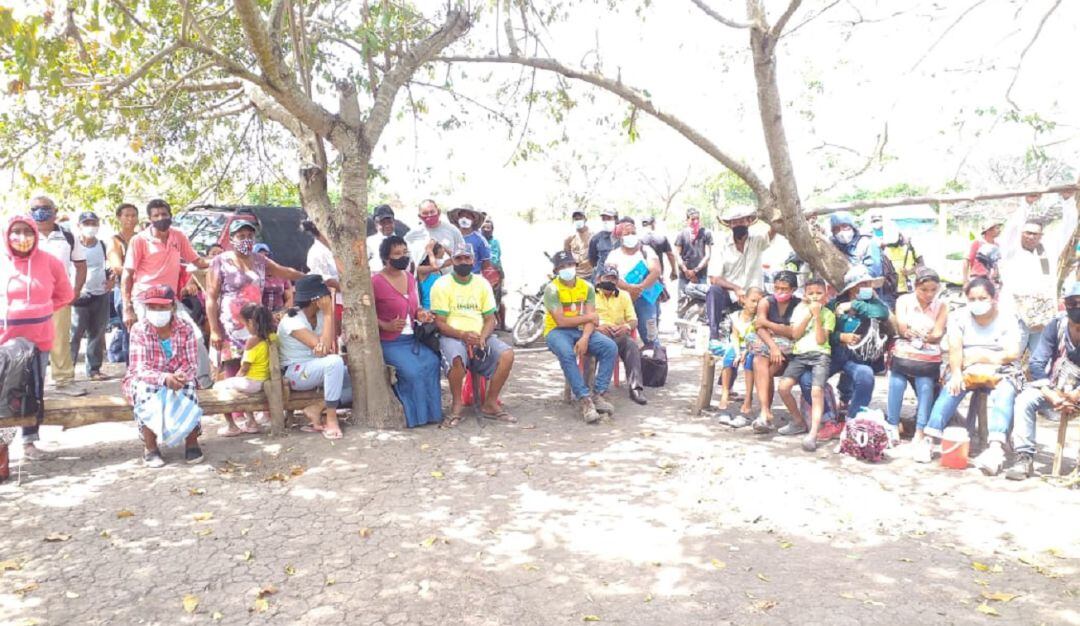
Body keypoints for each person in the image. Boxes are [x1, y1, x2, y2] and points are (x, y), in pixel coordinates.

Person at [206, 219, 303, 436]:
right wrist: (214, 328)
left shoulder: (260, 260)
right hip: (229, 325)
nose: (246, 240)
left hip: (254, 325)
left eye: (250, 236)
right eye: (241, 236)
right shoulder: (220, 261)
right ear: (231, 239)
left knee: (254, 369)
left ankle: (253, 417)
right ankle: (234, 419)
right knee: (231, 370)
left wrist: (309, 277)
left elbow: (283, 272)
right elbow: (211, 297)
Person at [919, 278, 1022, 472]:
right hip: (965, 366)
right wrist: (957, 372)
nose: (977, 303)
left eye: (982, 298)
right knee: (952, 387)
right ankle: (930, 438)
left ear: (993, 298)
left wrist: (981, 357)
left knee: (1005, 392)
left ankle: (995, 448)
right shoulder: (959, 317)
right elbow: (955, 348)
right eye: (972, 299)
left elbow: (1011, 353)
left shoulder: (1007, 318)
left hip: (1000, 367)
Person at [0, 216, 73, 467]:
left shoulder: (50, 261)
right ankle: (2, 445)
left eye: (26, 231)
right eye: (16, 232)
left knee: (32, 390)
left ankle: (29, 440)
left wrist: (41, 310)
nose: (21, 237)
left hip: (39, 339)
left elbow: (65, 294)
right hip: (4, 340)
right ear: (7, 235)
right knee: (4, 392)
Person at [797, 266, 889, 443]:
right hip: (833, 355)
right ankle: (828, 418)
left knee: (866, 376)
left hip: (858, 358)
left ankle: (852, 420)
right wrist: (841, 336)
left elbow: (882, 313)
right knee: (807, 379)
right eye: (863, 284)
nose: (867, 286)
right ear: (853, 287)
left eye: (869, 283)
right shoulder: (834, 305)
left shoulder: (873, 303)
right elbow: (824, 331)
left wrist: (854, 305)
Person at [431, 243, 516, 427]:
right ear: (452, 260)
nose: (463, 261)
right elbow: (440, 322)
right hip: (453, 335)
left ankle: (491, 403)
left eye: (467, 258)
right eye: (459, 258)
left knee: (507, 354)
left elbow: (490, 318)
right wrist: (462, 335)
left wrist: (483, 337)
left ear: (473, 260)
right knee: (456, 358)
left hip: (480, 335)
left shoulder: (482, 283)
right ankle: (457, 405)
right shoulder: (442, 284)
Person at [122, 285, 204, 467]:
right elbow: (140, 367)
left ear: (172, 307)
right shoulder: (139, 329)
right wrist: (163, 378)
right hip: (147, 378)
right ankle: (150, 448)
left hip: (178, 376)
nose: (157, 311)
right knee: (145, 391)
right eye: (152, 307)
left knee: (189, 389)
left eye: (162, 307)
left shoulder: (186, 328)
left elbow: (191, 363)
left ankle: (192, 443)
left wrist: (181, 376)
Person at [1009, 283, 1080, 480]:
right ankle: (1024, 457)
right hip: (1055, 388)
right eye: (1072, 303)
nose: (1077, 307)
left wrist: (1076, 394)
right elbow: (1037, 363)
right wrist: (1051, 393)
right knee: (1024, 400)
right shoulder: (1056, 326)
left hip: (1077, 392)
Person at [372, 235, 442, 428]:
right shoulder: (376, 282)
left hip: (412, 340)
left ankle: (432, 414)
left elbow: (415, 308)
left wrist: (422, 314)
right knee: (413, 371)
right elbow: (365, 316)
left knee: (432, 362)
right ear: (386, 258)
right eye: (397, 254)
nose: (403, 256)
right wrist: (385, 325)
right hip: (390, 342)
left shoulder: (410, 278)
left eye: (405, 253)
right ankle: (414, 416)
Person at [543, 253, 618, 422]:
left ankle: (598, 394)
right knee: (567, 353)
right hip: (556, 331)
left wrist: (584, 337)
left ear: (575, 266)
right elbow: (561, 321)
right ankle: (585, 399)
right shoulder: (552, 289)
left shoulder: (587, 287)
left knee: (609, 347)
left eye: (569, 264)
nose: (566, 269)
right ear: (556, 270)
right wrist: (588, 318)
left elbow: (593, 319)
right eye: (562, 267)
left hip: (579, 331)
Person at [278, 275, 349, 439]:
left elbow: (326, 346)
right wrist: (328, 314)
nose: (327, 299)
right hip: (296, 373)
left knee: (356, 375)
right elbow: (323, 350)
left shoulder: (319, 316)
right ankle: (331, 419)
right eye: (325, 296)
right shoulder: (292, 320)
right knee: (334, 362)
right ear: (315, 299)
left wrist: (327, 316)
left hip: (316, 367)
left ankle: (317, 408)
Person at [999, 210, 1077, 360]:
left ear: (1041, 236)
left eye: (1036, 234)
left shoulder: (1048, 251)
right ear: (1021, 233)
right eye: (1028, 233)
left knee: (1040, 359)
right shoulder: (1011, 250)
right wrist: (1025, 204)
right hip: (1016, 316)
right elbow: (1010, 231)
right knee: (1011, 357)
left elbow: (1067, 228)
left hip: (1042, 317)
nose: (1031, 237)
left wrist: (1067, 203)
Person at [30, 196, 87, 396]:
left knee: (60, 339)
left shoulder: (68, 236)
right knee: (29, 341)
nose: (40, 212)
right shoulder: (24, 234)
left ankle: (64, 381)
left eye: (45, 208)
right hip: (29, 298)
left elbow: (80, 265)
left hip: (58, 297)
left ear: (55, 211)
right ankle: (30, 386)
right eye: (35, 208)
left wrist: (76, 290)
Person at [886, 268, 948, 438]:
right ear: (915, 286)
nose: (929, 294)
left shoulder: (941, 306)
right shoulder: (904, 301)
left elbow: (938, 332)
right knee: (896, 384)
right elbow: (903, 327)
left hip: (927, 358)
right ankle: (892, 424)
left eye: (933, 290)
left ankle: (921, 429)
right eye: (924, 290)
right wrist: (922, 335)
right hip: (906, 352)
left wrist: (922, 335)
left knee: (926, 386)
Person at [776, 278, 837, 451]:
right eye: (811, 293)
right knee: (783, 387)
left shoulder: (829, 315)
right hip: (800, 355)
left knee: (817, 390)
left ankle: (814, 432)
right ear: (805, 295)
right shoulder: (799, 310)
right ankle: (798, 421)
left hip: (820, 356)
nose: (815, 297)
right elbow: (795, 334)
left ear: (825, 295)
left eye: (819, 293)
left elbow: (820, 339)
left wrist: (817, 317)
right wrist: (809, 314)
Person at [706, 206, 775, 342]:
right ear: (730, 225)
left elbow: (773, 232)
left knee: (772, 302)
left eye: (741, 221)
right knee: (713, 291)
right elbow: (714, 278)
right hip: (730, 293)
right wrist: (736, 288)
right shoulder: (721, 245)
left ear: (748, 221)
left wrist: (774, 215)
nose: (738, 224)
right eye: (734, 222)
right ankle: (713, 336)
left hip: (754, 294)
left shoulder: (757, 241)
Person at [749, 271, 800, 432]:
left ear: (793, 289)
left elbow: (793, 332)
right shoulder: (766, 302)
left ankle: (765, 414)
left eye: (784, 289)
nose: (780, 292)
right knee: (759, 361)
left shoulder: (798, 305)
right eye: (777, 288)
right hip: (770, 350)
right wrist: (773, 346)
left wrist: (768, 324)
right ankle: (765, 411)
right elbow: (758, 327)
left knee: (766, 369)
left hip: (790, 354)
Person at [212, 303, 275, 430]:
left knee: (218, 386)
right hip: (264, 379)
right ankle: (251, 422)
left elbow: (245, 368)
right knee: (238, 387)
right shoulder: (272, 336)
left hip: (252, 382)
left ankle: (231, 426)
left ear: (251, 323)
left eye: (245, 325)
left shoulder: (252, 341)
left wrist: (236, 378)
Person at [603, 218, 661, 348]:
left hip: (645, 299)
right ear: (620, 237)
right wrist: (629, 288)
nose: (631, 236)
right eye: (626, 233)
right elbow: (611, 277)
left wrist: (640, 287)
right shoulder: (614, 255)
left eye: (633, 233)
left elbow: (656, 271)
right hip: (621, 300)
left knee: (651, 337)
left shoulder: (646, 250)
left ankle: (656, 363)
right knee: (617, 335)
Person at [594, 263, 647, 405]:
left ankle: (636, 388)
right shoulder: (590, 295)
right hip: (597, 333)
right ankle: (594, 390)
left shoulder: (624, 296)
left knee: (631, 344)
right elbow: (583, 319)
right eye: (607, 278)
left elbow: (633, 320)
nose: (610, 282)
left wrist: (626, 327)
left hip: (618, 334)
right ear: (599, 279)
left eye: (613, 279)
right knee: (595, 344)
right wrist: (598, 327)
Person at [70, 211, 113, 381]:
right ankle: (68, 371)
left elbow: (111, 266)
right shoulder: (73, 245)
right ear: (79, 226)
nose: (90, 227)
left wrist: (111, 280)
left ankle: (94, 369)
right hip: (78, 296)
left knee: (97, 333)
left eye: (93, 223)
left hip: (100, 294)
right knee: (74, 335)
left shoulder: (102, 245)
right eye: (86, 223)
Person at [717, 287, 763, 416]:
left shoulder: (759, 318)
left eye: (759, 302)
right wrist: (737, 352)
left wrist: (746, 352)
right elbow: (735, 336)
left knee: (749, 362)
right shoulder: (736, 316)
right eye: (753, 301)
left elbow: (757, 338)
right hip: (738, 345)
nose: (755, 305)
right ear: (744, 299)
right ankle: (725, 392)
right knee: (729, 359)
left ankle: (748, 397)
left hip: (753, 346)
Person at [107, 202, 139, 364]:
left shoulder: (141, 238)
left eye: (133, 215)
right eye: (126, 215)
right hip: (124, 289)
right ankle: (131, 367)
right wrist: (138, 272)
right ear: (119, 218)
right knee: (129, 330)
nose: (130, 219)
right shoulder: (115, 241)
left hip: (142, 289)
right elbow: (117, 266)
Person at [870, 211, 921, 309]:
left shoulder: (911, 246)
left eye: (893, 243)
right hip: (890, 290)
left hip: (908, 289)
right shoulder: (883, 247)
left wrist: (910, 271)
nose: (890, 245)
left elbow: (922, 264)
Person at [406, 199, 466, 283]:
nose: (429, 215)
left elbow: (462, 254)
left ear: (439, 212)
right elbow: (408, 262)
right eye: (425, 213)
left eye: (432, 212)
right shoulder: (412, 235)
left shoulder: (452, 230)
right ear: (419, 216)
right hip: (423, 285)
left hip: (450, 282)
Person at [301, 219, 344, 337]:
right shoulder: (316, 252)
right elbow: (326, 280)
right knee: (337, 336)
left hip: (347, 299)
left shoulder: (338, 248)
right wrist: (349, 289)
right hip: (334, 301)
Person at [829, 211, 881, 278]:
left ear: (852, 227)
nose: (841, 232)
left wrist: (861, 271)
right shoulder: (833, 247)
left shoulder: (866, 243)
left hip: (867, 285)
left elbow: (875, 270)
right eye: (837, 229)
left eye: (845, 226)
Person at [674, 207, 713, 295]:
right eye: (692, 219)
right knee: (682, 302)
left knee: (703, 302)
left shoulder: (706, 233)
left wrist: (695, 271)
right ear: (687, 220)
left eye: (697, 219)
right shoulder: (681, 234)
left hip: (701, 275)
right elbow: (677, 254)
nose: (695, 221)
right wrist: (686, 271)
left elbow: (708, 255)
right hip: (684, 276)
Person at [447, 205, 493, 275]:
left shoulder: (480, 240)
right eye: (462, 216)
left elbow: (486, 262)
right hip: (452, 277)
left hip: (472, 278)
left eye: (468, 217)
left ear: (473, 220)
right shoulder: (451, 236)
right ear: (457, 218)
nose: (464, 219)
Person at [481, 218, 507, 331]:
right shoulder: (479, 240)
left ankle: (502, 324)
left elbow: (495, 258)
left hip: (495, 273)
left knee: (498, 299)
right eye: (484, 228)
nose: (486, 230)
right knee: (485, 300)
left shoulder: (494, 242)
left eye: (488, 228)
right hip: (482, 274)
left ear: (492, 230)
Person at [254, 243, 293, 313]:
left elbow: (289, 298)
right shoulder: (253, 276)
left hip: (280, 313)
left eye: (266, 255)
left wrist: (282, 313)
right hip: (261, 316)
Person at [640, 216, 678, 282]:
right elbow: (670, 255)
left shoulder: (638, 239)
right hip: (657, 275)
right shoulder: (661, 237)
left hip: (641, 276)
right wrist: (673, 270)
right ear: (653, 224)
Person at [587, 208, 620, 282]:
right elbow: (592, 259)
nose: (606, 221)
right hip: (602, 277)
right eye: (603, 219)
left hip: (621, 277)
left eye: (609, 219)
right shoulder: (596, 238)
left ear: (616, 220)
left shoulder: (623, 237)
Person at [564, 209, 594, 280]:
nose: (578, 220)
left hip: (591, 274)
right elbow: (566, 258)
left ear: (585, 219)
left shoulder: (593, 236)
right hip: (576, 276)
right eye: (576, 219)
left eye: (580, 218)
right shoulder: (569, 238)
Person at [367, 204, 396, 273]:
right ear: (376, 223)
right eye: (382, 223)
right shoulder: (369, 243)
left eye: (389, 222)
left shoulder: (402, 241)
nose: (387, 226)